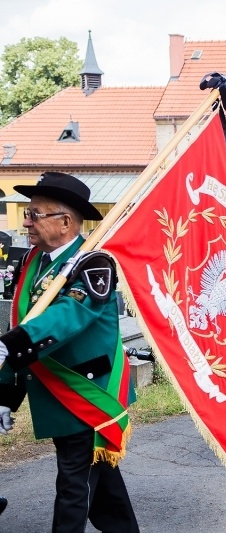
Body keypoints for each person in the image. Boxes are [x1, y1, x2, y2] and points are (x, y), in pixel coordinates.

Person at [0, 172, 139, 532]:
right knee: (104, 487)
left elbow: (68, 316)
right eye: (27, 213)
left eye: (34, 214)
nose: (26, 222)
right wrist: (6, 395)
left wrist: (9, 345)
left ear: (65, 222)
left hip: (87, 392)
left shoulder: (93, 264)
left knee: (73, 487)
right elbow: (24, 322)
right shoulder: (33, 261)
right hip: (55, 392)